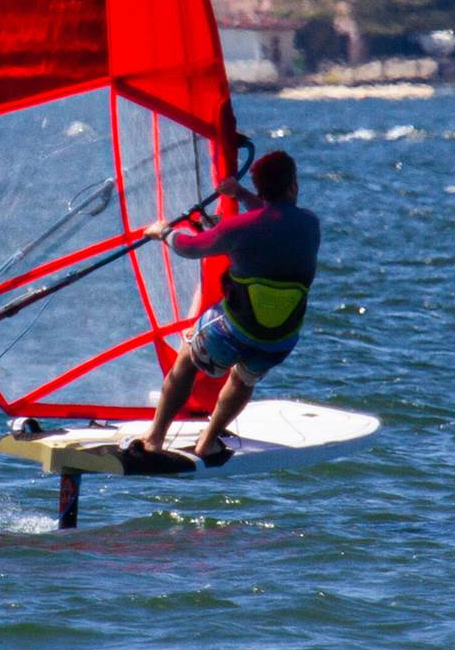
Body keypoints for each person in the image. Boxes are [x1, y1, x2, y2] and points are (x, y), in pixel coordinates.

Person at [131, 149, 318, 465]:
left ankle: (155, 438)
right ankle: (207, 441)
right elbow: (274, 216)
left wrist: (163, 232)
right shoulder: (310, 224)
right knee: (243, 378)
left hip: (234, 331)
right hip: (280, 340)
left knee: (188, 358)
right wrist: (242, 194)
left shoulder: (238, 229)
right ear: (294, 186)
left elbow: (190, 248)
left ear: (260, 188)